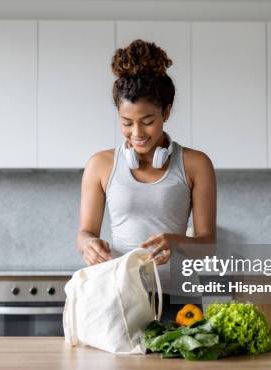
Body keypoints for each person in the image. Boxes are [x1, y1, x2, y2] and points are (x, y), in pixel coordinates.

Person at [76, 39, 216, 322]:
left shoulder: (196, 164)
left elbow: (208, 244)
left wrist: (174, 242)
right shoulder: (100, 165)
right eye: (127, 122)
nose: (137, 132)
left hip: (179, 299)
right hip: (120, 295)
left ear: (166, 112)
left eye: (148, 120)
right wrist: (89, 245)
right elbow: (85, 233)